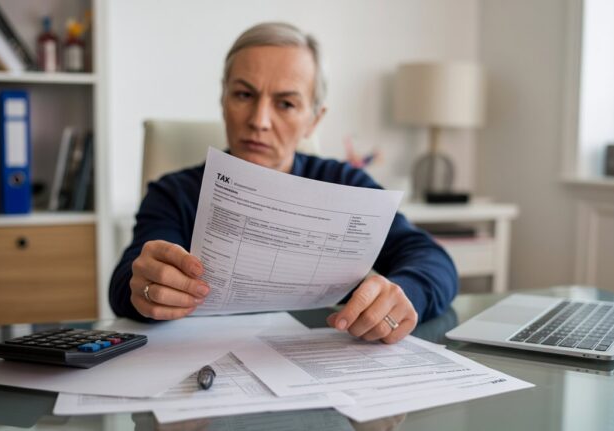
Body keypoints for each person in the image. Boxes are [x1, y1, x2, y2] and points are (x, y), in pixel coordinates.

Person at [109, 22, 458, 344]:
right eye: (244, 95)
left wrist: (405, 292)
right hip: (200, 364)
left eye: (286, 104)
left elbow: (432, 259)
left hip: (319, 360)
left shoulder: (347, 187)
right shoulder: (174, 193)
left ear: (313, 120)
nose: (259, 121)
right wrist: (144, 287)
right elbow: (127, 280)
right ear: (223, 99)